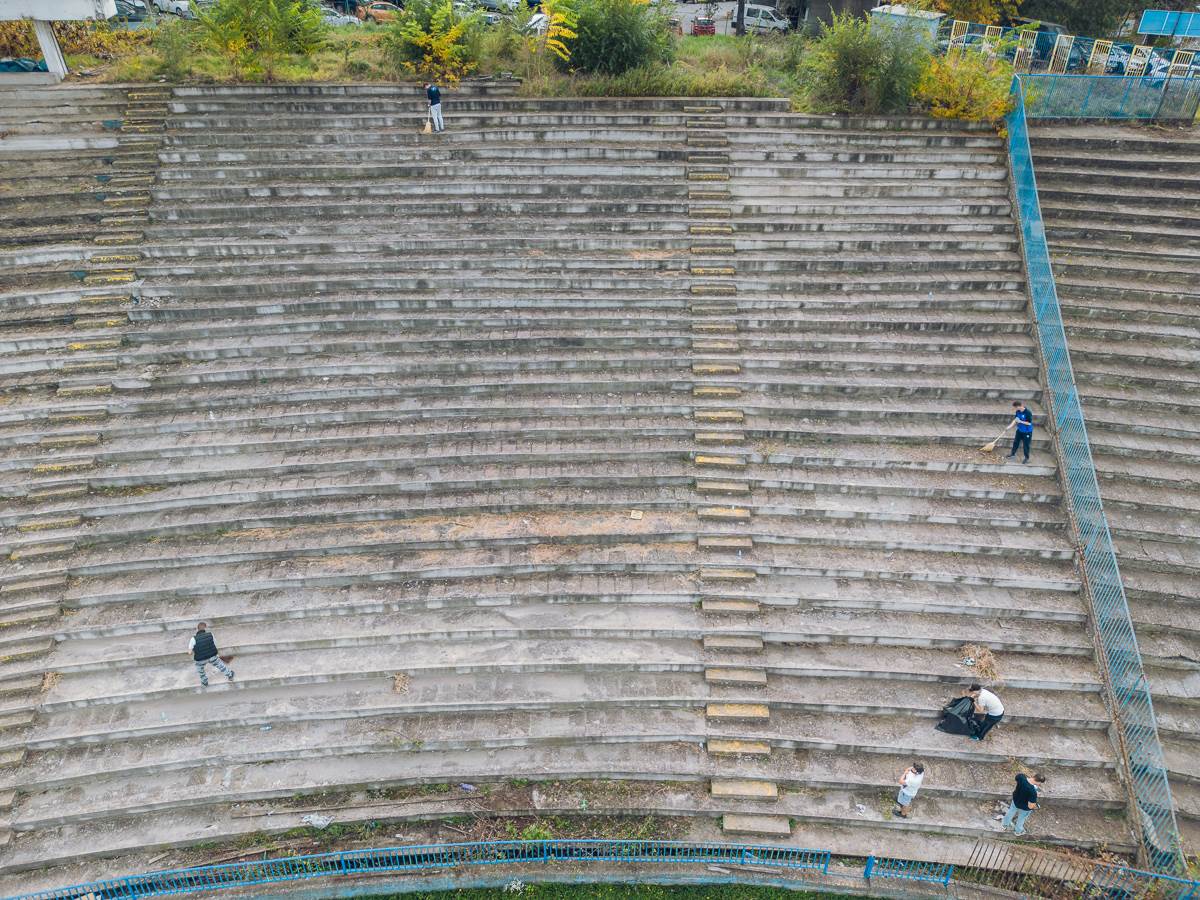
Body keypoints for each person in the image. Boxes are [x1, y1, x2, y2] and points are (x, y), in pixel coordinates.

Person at [189, 622, 234, 687]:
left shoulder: (193, 639)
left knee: (201, 671)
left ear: (197, 629)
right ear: (205, 628)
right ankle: (230, 675)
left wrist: (195, 649)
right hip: (212, 656)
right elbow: (215, 644)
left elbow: (189, 652)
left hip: (200, 659)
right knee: (220, 665)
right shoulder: (210, 634)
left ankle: (205, 682)